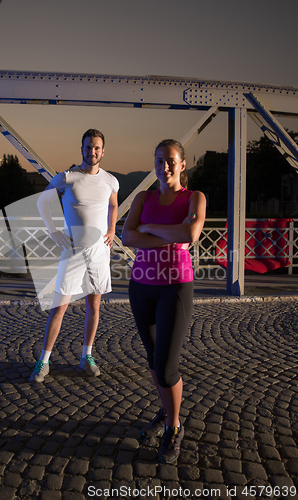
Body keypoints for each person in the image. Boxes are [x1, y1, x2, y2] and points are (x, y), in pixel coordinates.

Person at [122, 139, 206, 464]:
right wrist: (170, 232)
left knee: (166, 367)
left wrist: (149, 228)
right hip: (141, 286)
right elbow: (127, 237)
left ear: (182, 165)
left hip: (175, 287)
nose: (164, 165)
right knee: (153, 361)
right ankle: (166, 411)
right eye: (159, 160)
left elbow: (191, 234)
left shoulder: (194, 198)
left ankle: (174, 426)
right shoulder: (143, 197)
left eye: (171, 160)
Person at [30, 129, 119, 382]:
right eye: (88, 147)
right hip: (73, 252)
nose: (92, 151)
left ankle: (86, 356)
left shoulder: (111, 181)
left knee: (94, 306)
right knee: (59, 308)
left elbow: (113, 205)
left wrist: (112, 229)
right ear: (82, 149)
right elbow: (42, 202)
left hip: (99, 252)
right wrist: (54, 231)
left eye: (97, 148)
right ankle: (43, 362)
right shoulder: (67, 177)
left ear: (103, 151)